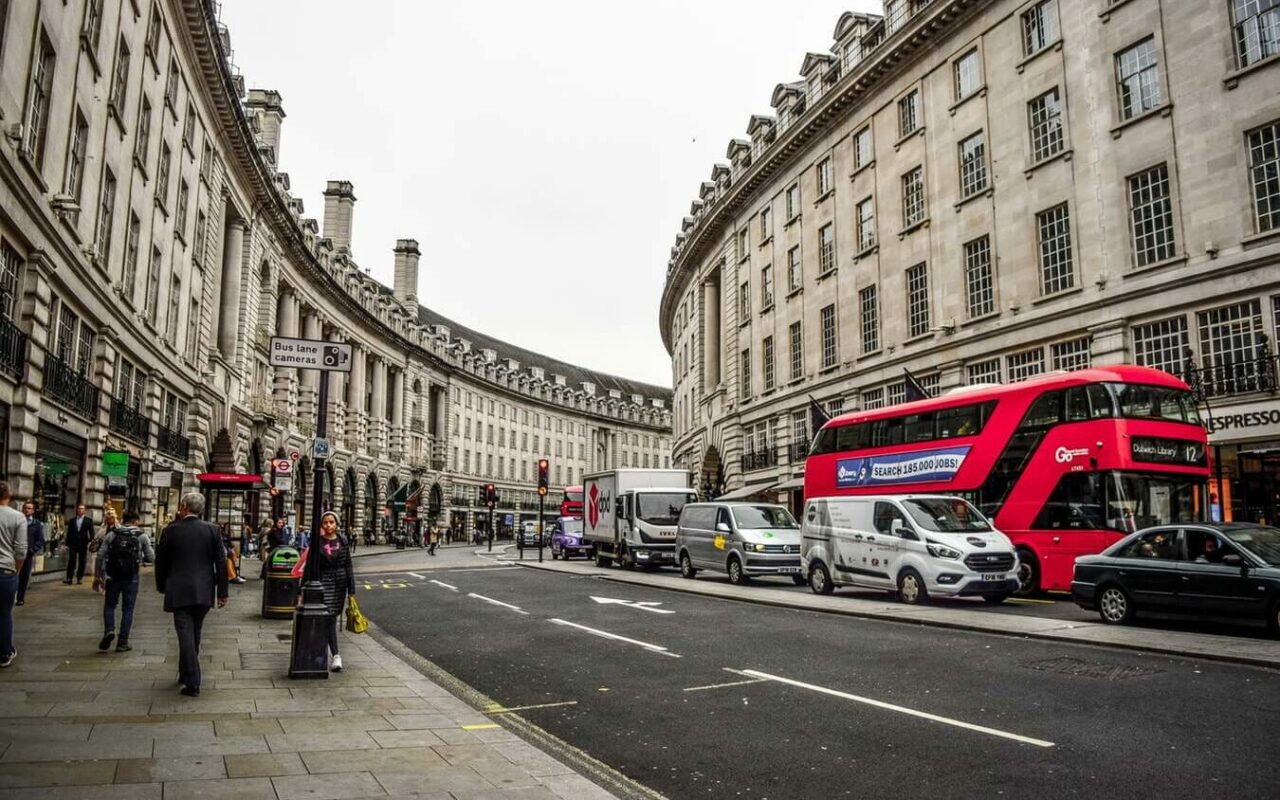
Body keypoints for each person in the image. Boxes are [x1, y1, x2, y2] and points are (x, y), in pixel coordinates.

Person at [154, 493, 228, 697]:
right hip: (204, 590)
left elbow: (161, 562)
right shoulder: (212, 530)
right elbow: (220, 563)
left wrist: (161, 585)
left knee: (185, 634)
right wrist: (222, 592)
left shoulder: (171, 530)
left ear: (184, 507)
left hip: (178, 590)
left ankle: (193, 681)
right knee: (193, 633)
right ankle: (185, 671)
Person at [94, 511, 154, 652]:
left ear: (123, 520)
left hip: (113, 576)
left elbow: (100, 555)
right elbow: (151, 557)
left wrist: (98, 576)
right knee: (128, 609)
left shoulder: (112, 534)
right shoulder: (141, 536)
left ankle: (109, 630)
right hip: (131, 577)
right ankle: (122, 642)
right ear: (136, 521)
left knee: (110, 605)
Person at [315, 511, 355, 672]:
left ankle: (331, 655)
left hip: (339, 583)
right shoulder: (317, 542)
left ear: (337, 524)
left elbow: (348, 565)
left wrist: (351, 589)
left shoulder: (343, 541)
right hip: (323, 582)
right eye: (325, 522)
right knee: (326, 619)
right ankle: (334, 655)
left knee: (330, 618)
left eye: (331, 522)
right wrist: (301, 591)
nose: (328, 525)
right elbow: (312, 566)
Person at [0, 483, 27, 668]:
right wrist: (16, 571)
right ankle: (4, 652)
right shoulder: (18, 517)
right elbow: (21, 551)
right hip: (5, 571)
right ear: (9, 495)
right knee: (4, 613)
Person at [15, 501, 44, 605]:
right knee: (12, 575)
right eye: (25, 508)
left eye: (29, 508)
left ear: (33, 510)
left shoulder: (36, 524)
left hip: (28, 554)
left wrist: (32, 550)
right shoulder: (17, 521)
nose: (27, 510)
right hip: (15, 553)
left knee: (24, 577)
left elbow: (40, 540)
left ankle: (20, 598)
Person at [64, 503, 93, 585]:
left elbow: (91, 533)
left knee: (82, 561)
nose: (80, 510)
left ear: (85, 510)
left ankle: (79, 578)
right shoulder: (72, 521)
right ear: (76, 510)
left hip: (83, 544)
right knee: (71, 560)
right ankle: (69, 577)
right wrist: (67, 544)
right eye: (79, 509)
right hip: (73, 543)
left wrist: (90, 542)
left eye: (82, 509)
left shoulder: (88, 521)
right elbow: (69, 533)